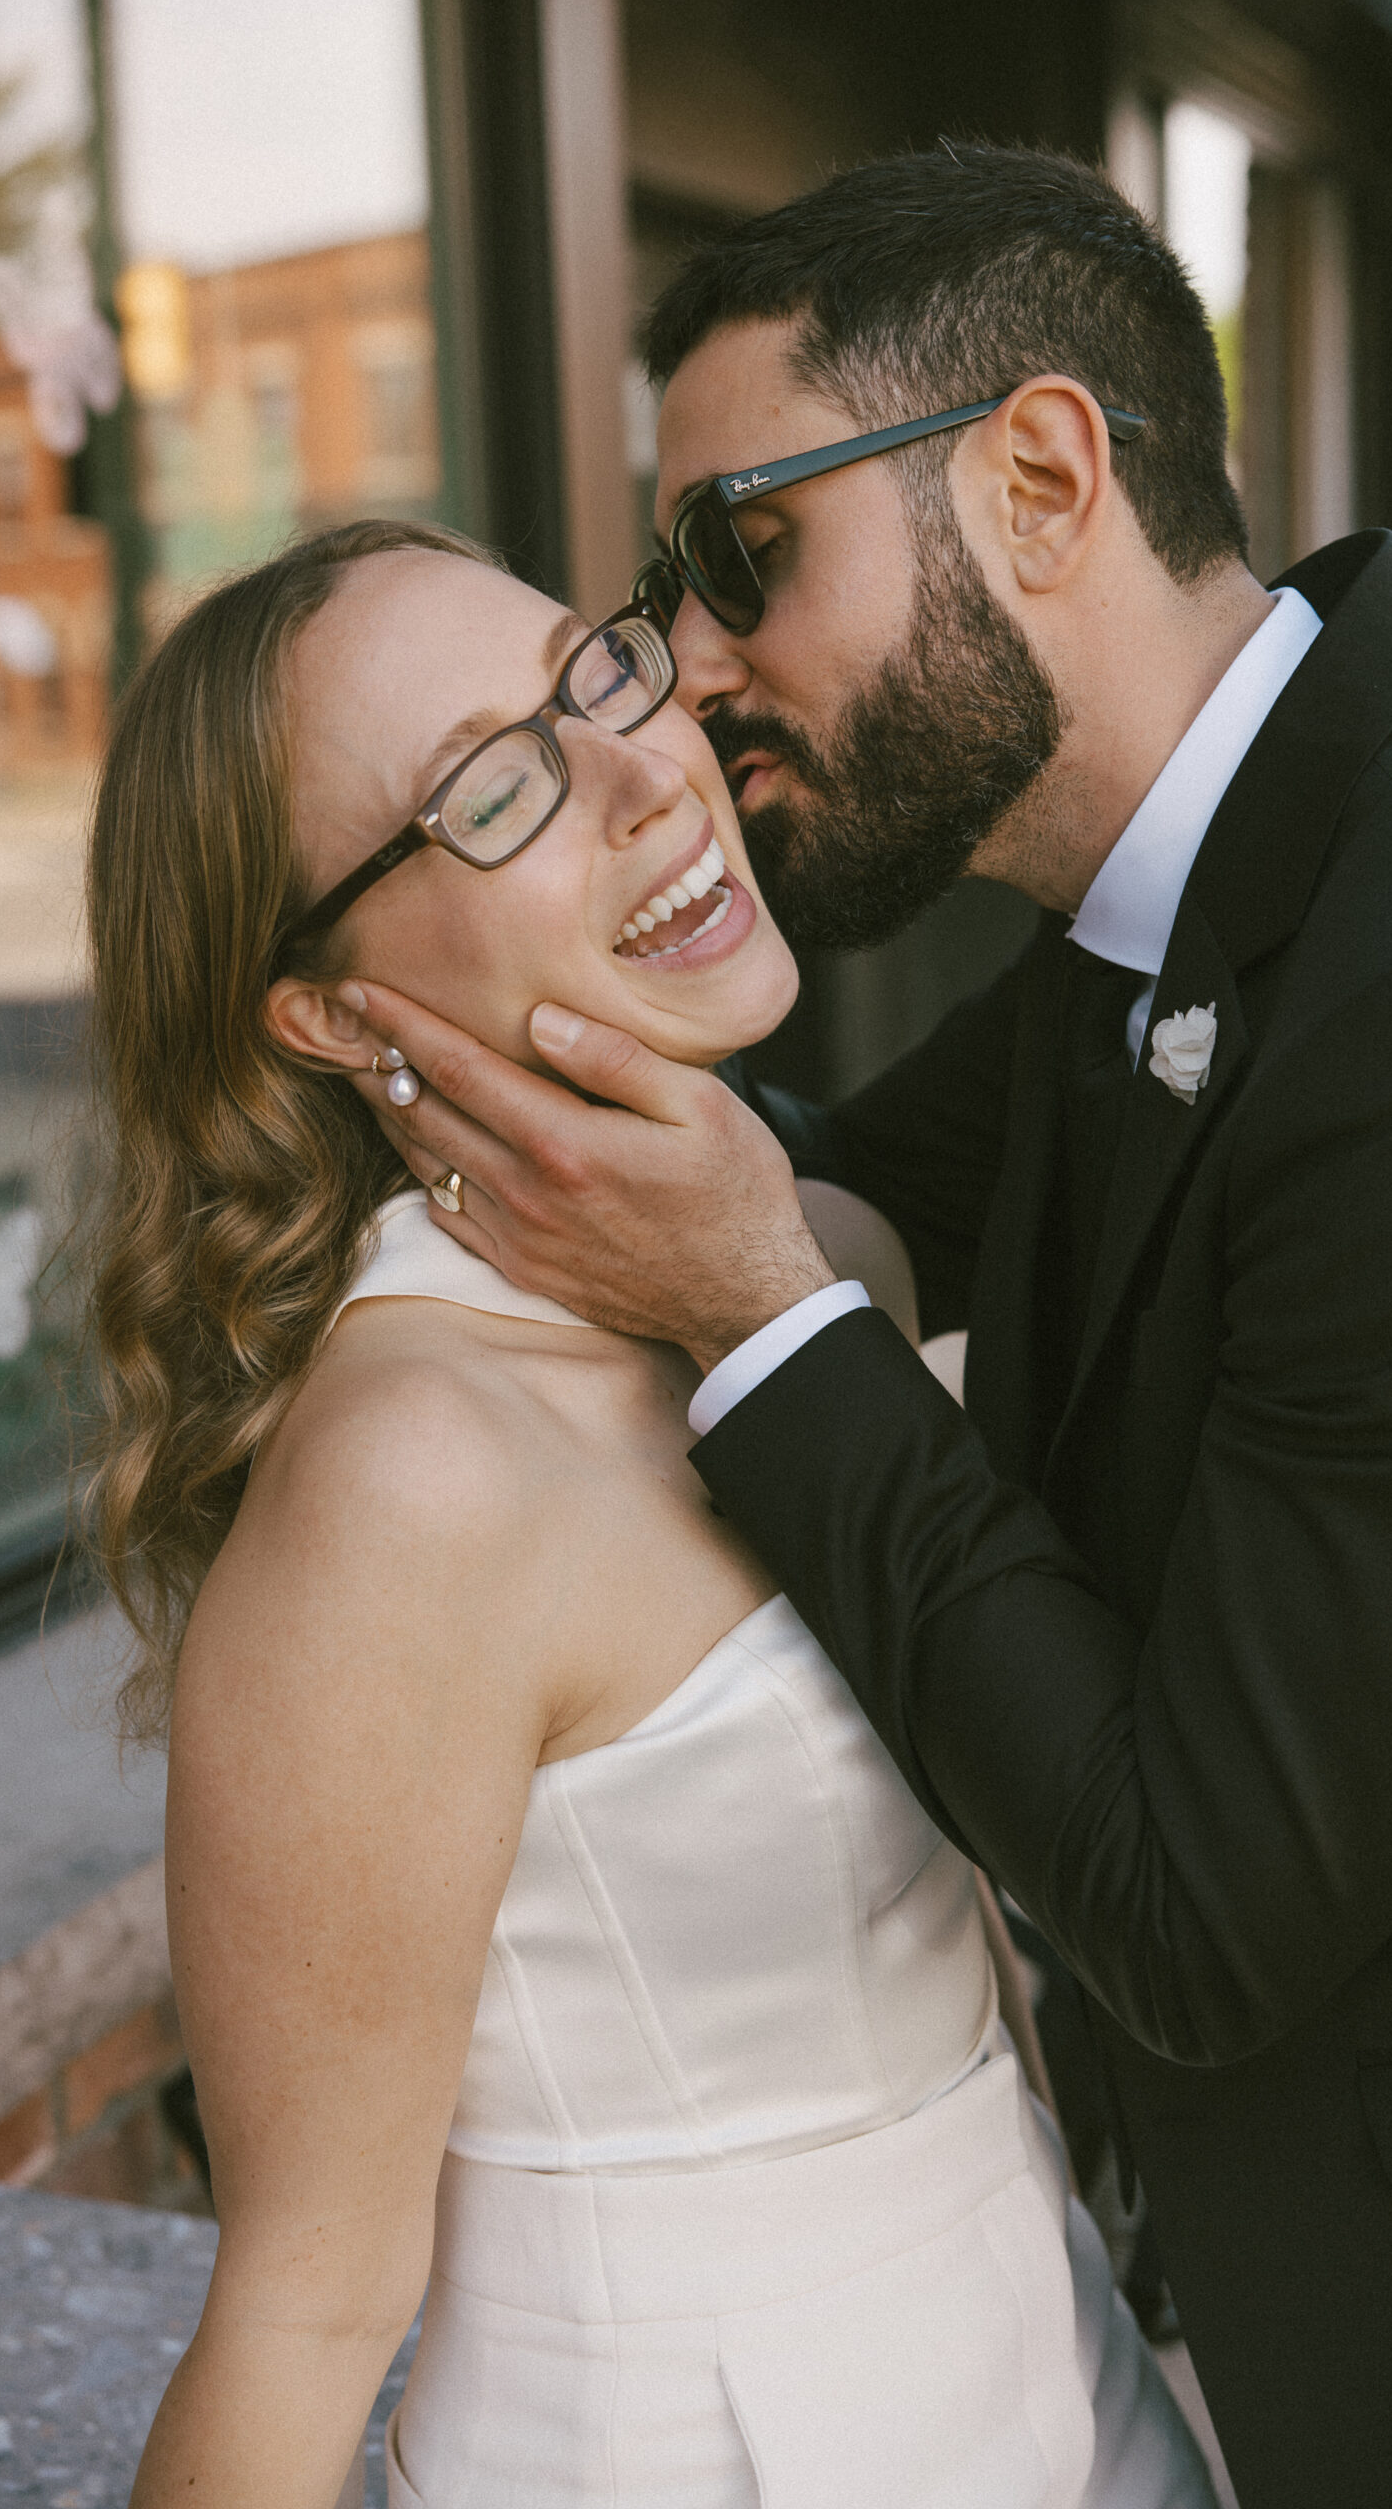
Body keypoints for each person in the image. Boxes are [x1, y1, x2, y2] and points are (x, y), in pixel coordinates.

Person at [345, 148, 1392, 2508]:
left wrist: (740, 1298)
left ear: (1036, 476)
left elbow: (1184, 1902)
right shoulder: (1226, 852)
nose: (690, 670)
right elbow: (808, 1169)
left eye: (737, 556)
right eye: (662, 590)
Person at [86, 516, 1211, 2509]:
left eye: (587, 671)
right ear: (335, 1016)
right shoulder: (404, 1479)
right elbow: (301, 2310)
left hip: (1061, 2379)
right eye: (487, 787)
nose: (641, 769)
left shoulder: (815, 1261)